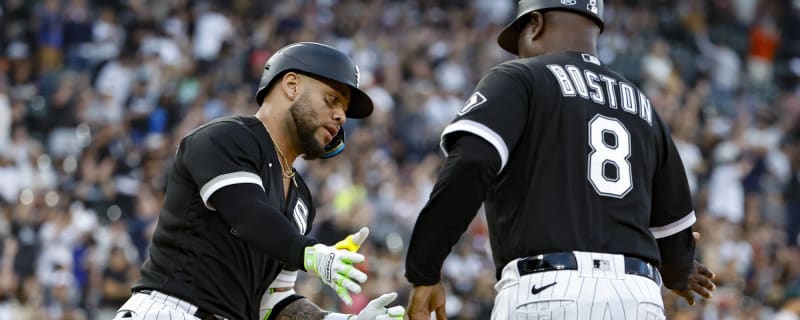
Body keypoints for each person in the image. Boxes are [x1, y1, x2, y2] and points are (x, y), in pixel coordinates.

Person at [404, 1, 715, 319]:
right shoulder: (643, 106)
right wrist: (678, 269)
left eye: (519, 38)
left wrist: (425, 269)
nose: (517, 53)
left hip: (547, 289)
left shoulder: (520, 76)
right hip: (639, 297)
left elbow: (472, 163)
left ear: (535, 24)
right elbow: (674, 232)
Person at [113, 42, 404, 320]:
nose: (341, 115)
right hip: (171, 310)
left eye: (344, 108)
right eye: (332, 99)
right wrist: (312, 253)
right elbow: (248, 216)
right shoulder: (226, 137)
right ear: (291, 85)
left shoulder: (301, 197)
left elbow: (272, 302)